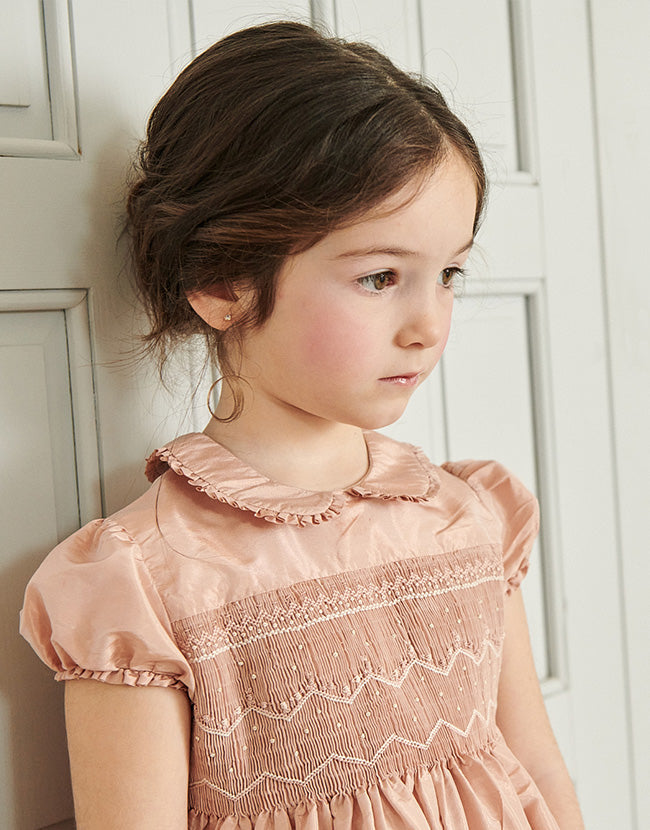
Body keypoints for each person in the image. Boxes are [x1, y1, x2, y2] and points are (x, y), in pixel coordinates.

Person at [19, 21, 584, 830]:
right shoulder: (145, 583)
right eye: (380, 277)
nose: (429, 324)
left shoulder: (469, 518)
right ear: (223, 283)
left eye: (448, 273)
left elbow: (534, 765)